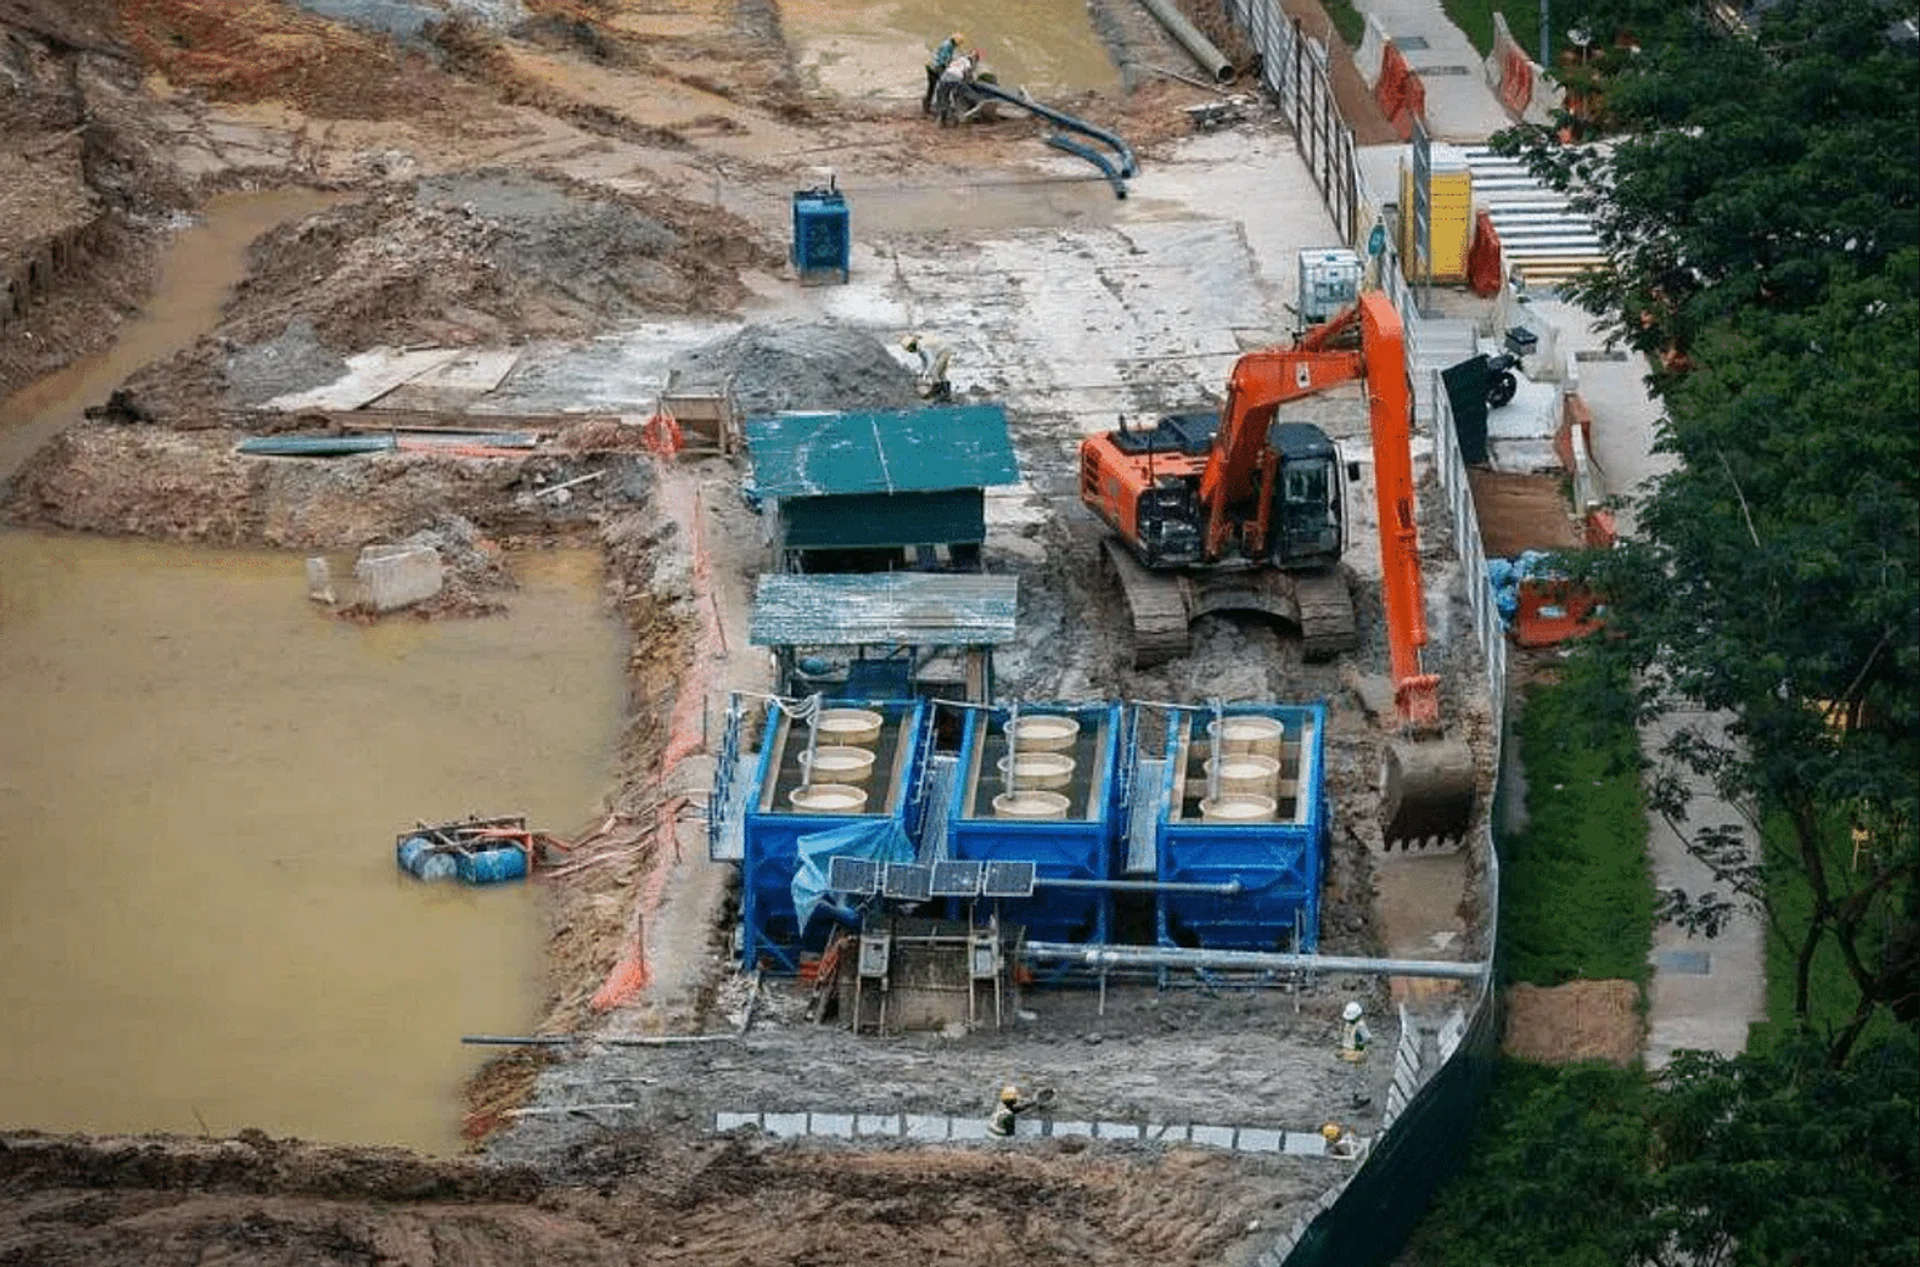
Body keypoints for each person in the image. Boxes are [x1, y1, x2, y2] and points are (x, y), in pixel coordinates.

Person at [900, 332, 953, 401]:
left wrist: (926, 372)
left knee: (935, 373)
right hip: (944, 350)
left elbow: (931, 361)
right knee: (941, 374)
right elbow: (924, 361)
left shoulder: (923, 347)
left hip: (942, 352)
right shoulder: (920, 346)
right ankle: (946, 394)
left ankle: (938, 394)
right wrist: (923, 371)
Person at [924, 31, 966, 115]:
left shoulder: (947, 43)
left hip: (931, 66)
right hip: (935, 68)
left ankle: (927, 105)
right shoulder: (948, 46)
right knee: (941, 86)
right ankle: (937, 106)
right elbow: (943, 60)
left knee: (932, 87)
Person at [934, 50, 978, 126]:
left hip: (944, 77)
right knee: (958, 98)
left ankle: (942, 118)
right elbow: (967, 74)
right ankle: (959, 119)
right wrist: (971, 82)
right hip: (955, 78)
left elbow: (949, 67)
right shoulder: (967, 62)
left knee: (944, 98)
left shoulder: (957, 60)